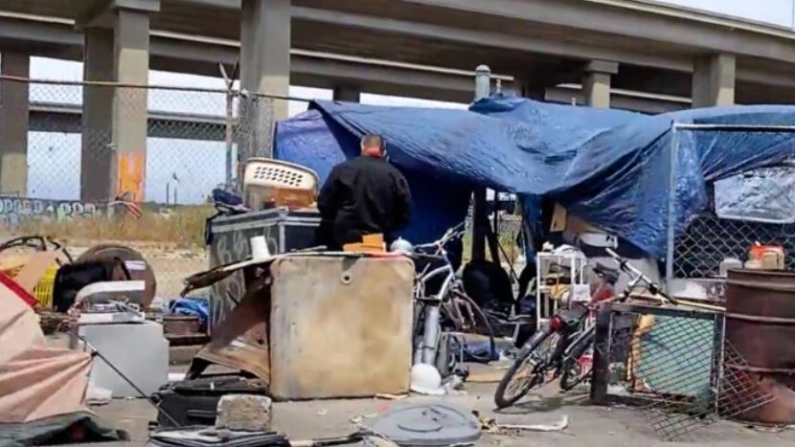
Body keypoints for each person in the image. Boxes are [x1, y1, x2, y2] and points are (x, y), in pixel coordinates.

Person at [316, 134, 412, 250]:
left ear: (362, 147)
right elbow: (404, 214)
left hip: (343, 239)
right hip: (378, 240)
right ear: (383, 152)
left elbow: (324, 204)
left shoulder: (342, 170)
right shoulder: (395, 176)